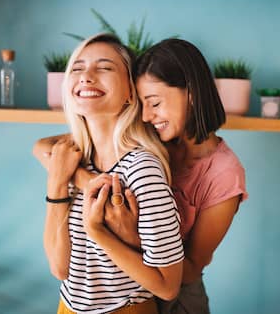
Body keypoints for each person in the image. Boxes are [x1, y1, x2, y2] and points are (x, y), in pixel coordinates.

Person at [35, 38, 248, 314]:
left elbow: (190, 267)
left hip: (179, 296)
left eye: (155, 103)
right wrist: (92, 185)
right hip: (120, 286)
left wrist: (123, 233)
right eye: (142, 101)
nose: (145, 116)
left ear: (191, 94)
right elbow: (43, 148)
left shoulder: (223, 174)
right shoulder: (155, 135)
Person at [40, 33, 184, 314]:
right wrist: (59, 181)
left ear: (131, 92)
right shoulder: (72, 159)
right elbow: (59, 268)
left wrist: (97, 231)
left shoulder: (142, 170)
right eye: (77, 68)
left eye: (104, 67)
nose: (86, 76)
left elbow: (168, 286)